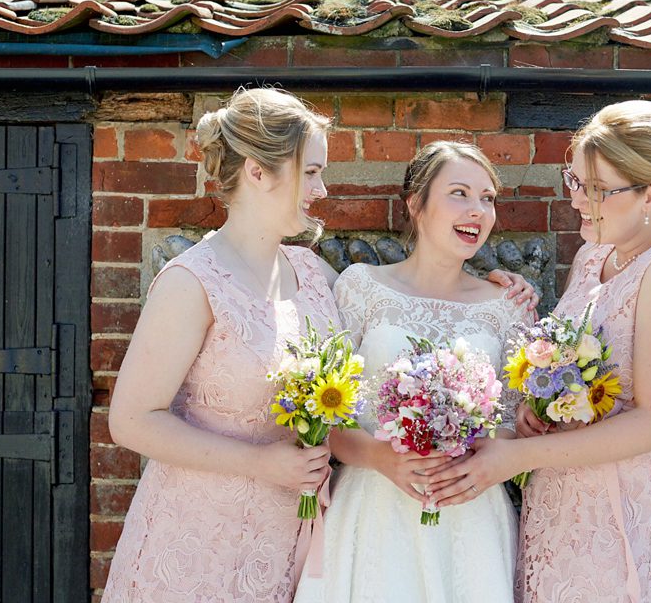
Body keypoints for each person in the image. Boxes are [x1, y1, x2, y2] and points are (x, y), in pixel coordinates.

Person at [103, 89, 536, 602]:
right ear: (257, 172)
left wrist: (499, 283)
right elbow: (130, 421)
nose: (321, 188)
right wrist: (263, 464)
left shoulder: (309, 273)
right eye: (310, 172)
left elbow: (407, 315)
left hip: (292, 538)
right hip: (200, 534)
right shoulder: (191, 281)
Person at [426, 101, 651, 603]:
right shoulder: (593, 256)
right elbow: (567, 361)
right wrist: (532, 410)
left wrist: (516, 456)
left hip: (620, 522)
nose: (579, 200)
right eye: (576, 180)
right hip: (556, 509)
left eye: (598, 189)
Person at [292, 141, 534, 603]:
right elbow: (324, 416)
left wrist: (469, 448)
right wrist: (383, 458)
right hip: (373, 507)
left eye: (488, 198)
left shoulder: (509, 306)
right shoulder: (361, 288)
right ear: (415, 205)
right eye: (459, 193)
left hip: (469, 512)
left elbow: (519, 427)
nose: (478, 210)